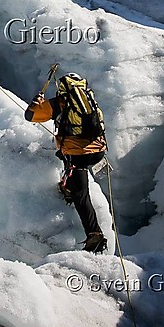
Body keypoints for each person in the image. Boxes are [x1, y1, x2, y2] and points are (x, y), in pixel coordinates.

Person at [25, 72, 108, 253]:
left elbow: (30, 116)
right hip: (98, 152)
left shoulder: (59, 103)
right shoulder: (89, 101)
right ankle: (68, 189)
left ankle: (94, 233)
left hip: (78, 155)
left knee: (82, 196)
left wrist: (36, 102)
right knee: (65, 159)